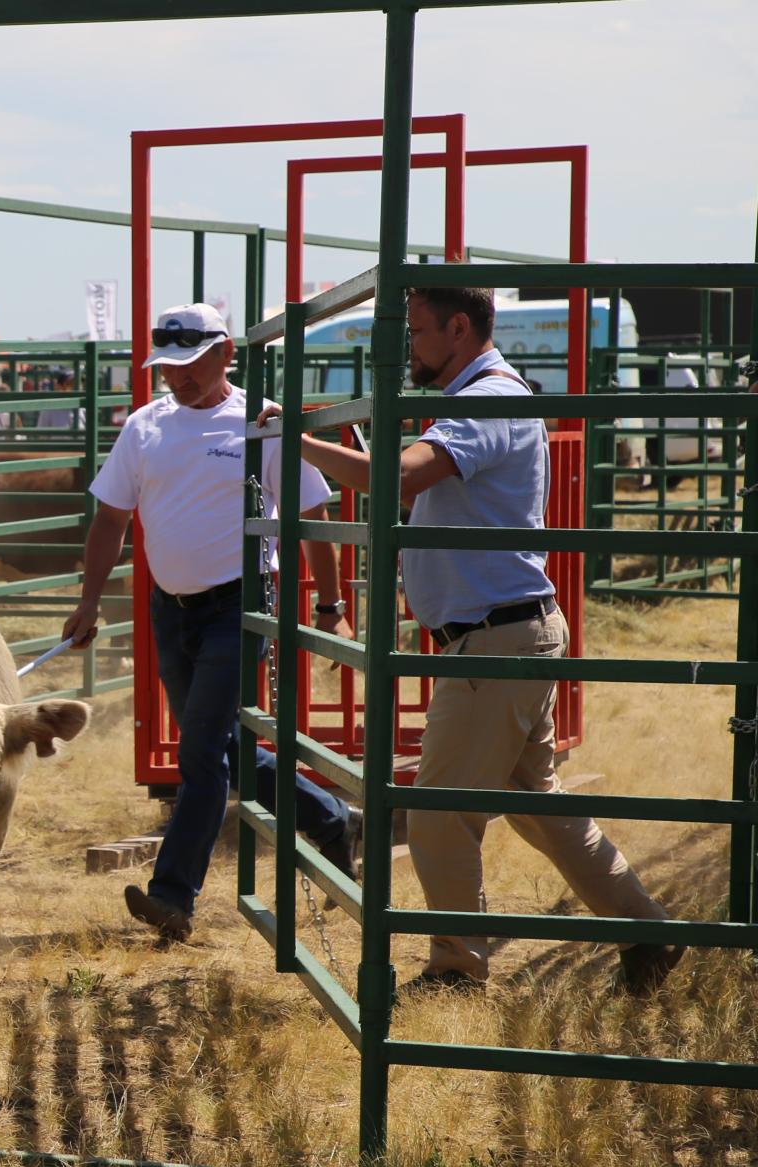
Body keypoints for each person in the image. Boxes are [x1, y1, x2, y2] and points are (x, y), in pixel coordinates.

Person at [271, 286, 682, 995]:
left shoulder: (487, 400)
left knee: (436, 816)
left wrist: (294, 441)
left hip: (495, 641)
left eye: (419, 332)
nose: (411, 349)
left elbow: (398, 480)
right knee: (541, 810)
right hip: (505, 635)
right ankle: (646, 930)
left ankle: (457, 969)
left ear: (459, 328)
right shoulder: (476, 400)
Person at [61, 302, 356, 946]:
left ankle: (173, 895)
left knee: (198, 755)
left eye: (189, 364)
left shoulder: (262, 423)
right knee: (220, 748)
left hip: (239, 605)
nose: (177, 378)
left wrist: (331, 604)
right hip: (172, 608)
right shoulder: (144, 427)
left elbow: (309, 515)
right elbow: (111, 518)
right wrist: (89, 600)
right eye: (167, 367)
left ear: (225, 354)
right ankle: (332, 817)